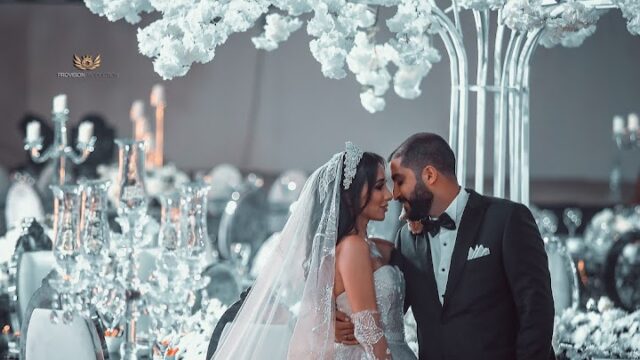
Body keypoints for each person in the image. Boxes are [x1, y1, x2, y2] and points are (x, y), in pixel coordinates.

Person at [336, 132, 556, 360]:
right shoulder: (406, 239)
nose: (395, 194)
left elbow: (536, 311)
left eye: (400, 181)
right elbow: (386, 303)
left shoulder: (507, 219)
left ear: (429, 175)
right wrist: (331, 321)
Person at [211, 142, 415, 359]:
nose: (389, 195)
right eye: (378, 186)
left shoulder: (374, 247)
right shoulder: (352, 247)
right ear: (349, 196)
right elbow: (368, 329)